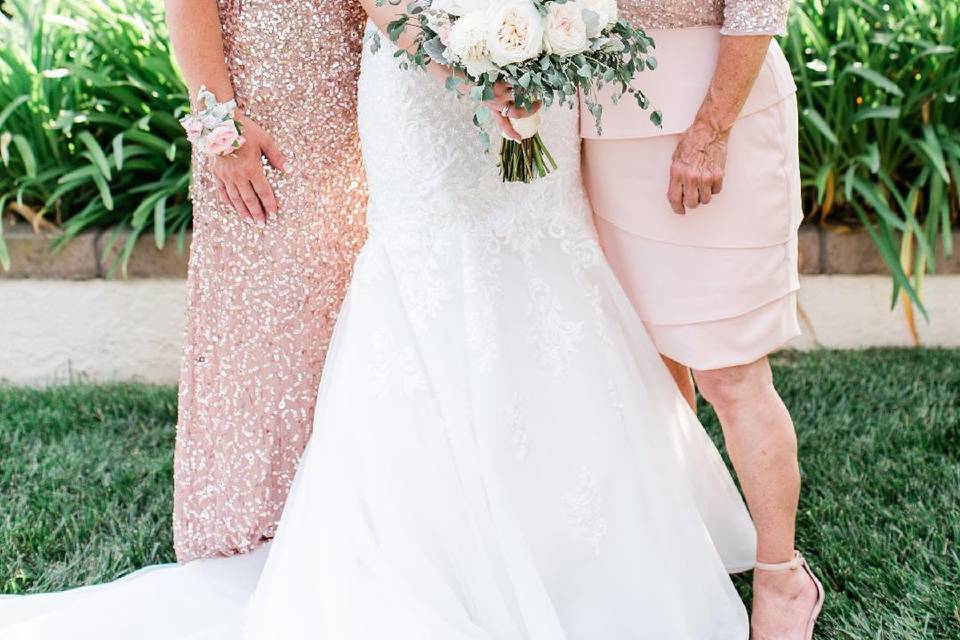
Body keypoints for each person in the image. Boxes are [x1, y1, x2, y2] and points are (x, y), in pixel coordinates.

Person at [3, 5, 780, 640]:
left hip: (543, 93)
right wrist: (480, 78)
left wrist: (548, 53)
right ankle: (437, 551)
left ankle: (579, 542)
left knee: (547, 264)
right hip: (423, 90)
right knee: (433, 275)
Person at [580, 1, 824, 638]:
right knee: (647, 362)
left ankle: (782, 575)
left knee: (729, 370)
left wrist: (711, 130)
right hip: (601, 125)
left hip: (717, 110)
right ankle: (685, 544)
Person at [163, 0, 367, 561]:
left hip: (355, 120)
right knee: (259, 332)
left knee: (346, 322)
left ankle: (340, 519)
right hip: (264, 127)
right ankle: (252, 525)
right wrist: (219, 130)